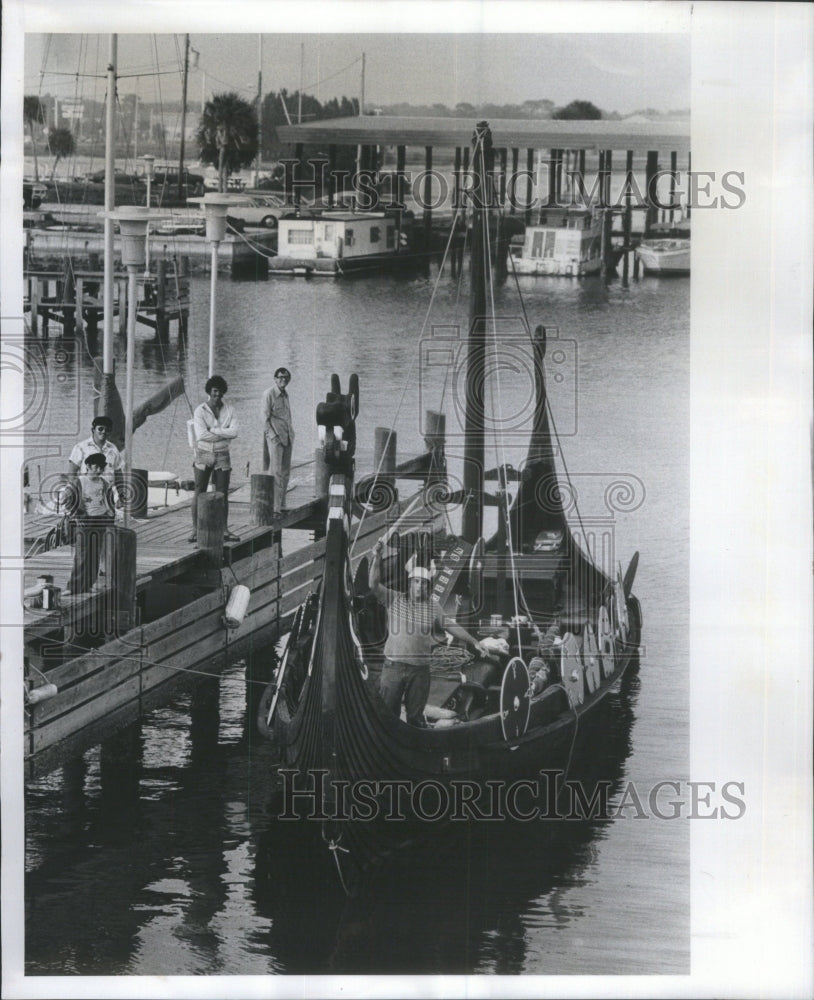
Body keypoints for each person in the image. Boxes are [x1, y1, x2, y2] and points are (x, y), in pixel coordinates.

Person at [370, 538, 492, 727]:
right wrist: (377, 557)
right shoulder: (394, 599)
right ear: (410, 583)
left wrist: (475, 642)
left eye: (424, 583)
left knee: (415, 717)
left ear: (428, 586)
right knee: (387, 714)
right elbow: (373, 584)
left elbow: (451, 625)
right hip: (393, 667)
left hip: (420, 670)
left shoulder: (433, 608)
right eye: (416, 582)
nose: (420, 586)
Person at [189, 375, 239, 543]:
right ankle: (195, 530)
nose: (218, 395)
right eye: (215, 391)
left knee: (223, 493)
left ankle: (224, 529)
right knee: (199, 491)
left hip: (223, 454)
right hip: (204, 453)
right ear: (209, 391)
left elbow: (235, 432)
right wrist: (223, 433)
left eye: (220, 392)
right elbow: (201, 434)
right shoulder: (200, 410)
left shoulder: (230, 409)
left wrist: (215, 430)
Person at [64, 453, 119, 597]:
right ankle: (73, 586)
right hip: (85, 521)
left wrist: (110, 515)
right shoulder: (79, 481)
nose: (99, 469)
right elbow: (67, 499)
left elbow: (110, 500)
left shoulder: (104, 483)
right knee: (82, 554)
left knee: (95, 554)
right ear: (87, 467)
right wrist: (77, 514)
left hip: (100, 520)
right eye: (96, 466)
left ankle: (88, 584)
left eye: (102, 467)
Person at [262, 367, 294, 512]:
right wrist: (272, 436)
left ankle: (282, 503)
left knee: (286, 471)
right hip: (275, 437)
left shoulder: (285, 394)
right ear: (275, 379)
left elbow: (287, 417)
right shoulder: (269, 394)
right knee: (275, 471)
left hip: (287, 436)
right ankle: (274, 507)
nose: (283, 380)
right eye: (280, 377)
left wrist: (291, 433)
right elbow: (264, 418)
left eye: (286, 377)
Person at [68, 415, 122, 485]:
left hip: (108, 492)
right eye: (100, 429)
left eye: (107, 430)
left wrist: (121, 493)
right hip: (87, 492)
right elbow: (72, 473)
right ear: (93, 429)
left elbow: (118, 474)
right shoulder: (80, 447)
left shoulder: (113, 448)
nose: (104, 432)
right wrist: (76, 491)